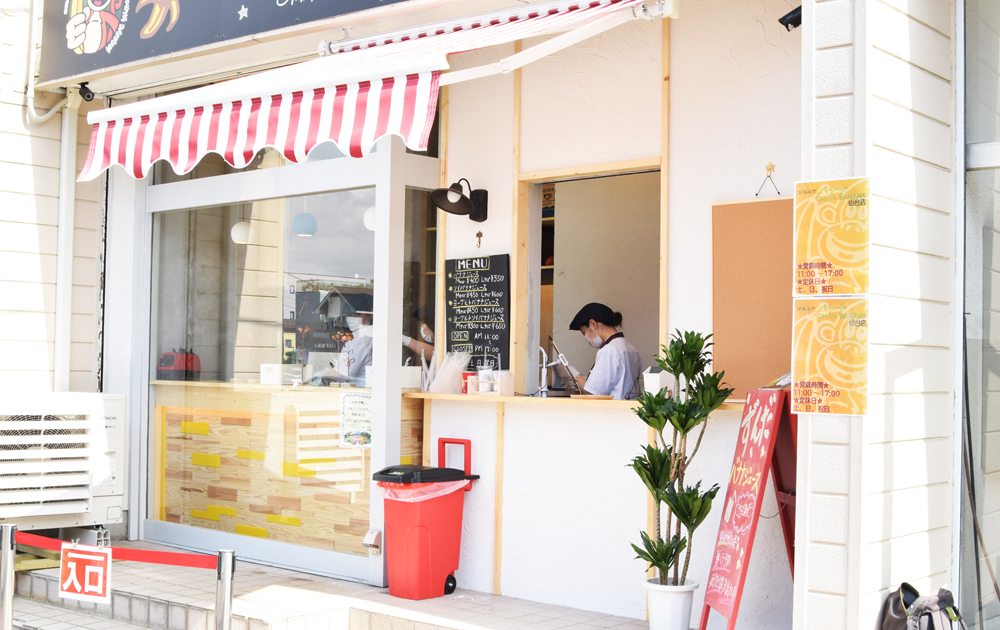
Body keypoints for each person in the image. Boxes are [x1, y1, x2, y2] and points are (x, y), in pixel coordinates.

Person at [562, 302, 642, 400]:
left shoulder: (609, 351)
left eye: (584, 333)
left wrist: (571, 371)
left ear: (593, 324)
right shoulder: (631, 348)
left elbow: (592, 393)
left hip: (613, 411)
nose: (586, 338)